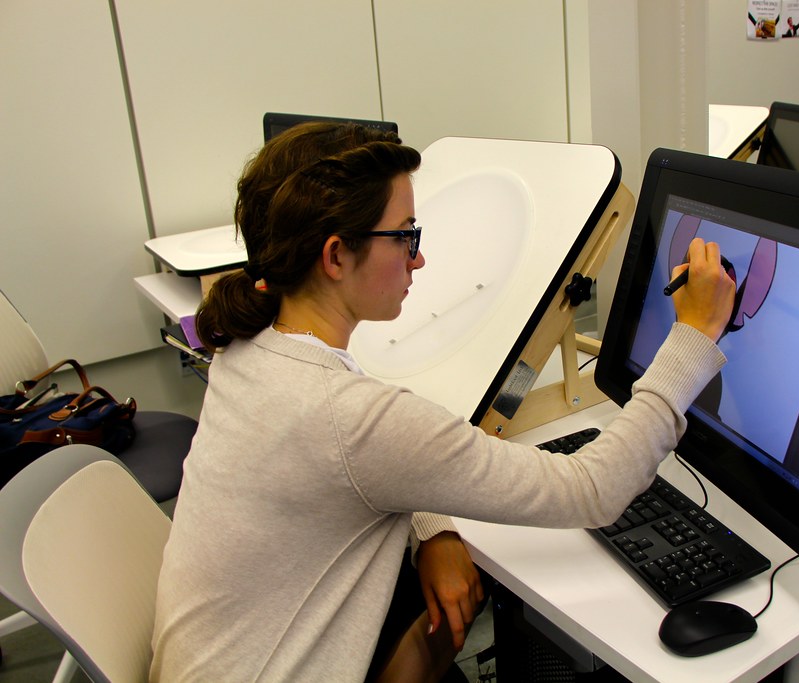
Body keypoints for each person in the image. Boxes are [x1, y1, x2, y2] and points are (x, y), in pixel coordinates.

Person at [150, 123, 736, 683]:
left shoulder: (246, 347)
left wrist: (435, 528)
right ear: (335, 257)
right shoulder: (351, 418)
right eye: (405, 235)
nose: (418, 258)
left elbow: (362, 464)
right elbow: (594, 489)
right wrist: (695, 334)